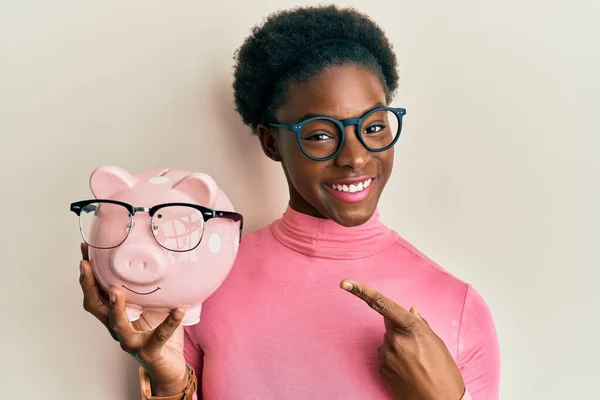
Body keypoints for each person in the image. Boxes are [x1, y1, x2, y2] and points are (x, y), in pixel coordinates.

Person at [78, 5, 500, 399]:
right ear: (271, 142)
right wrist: (166, 380)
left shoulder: (458, 306)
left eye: (373, 127)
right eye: (320, 134)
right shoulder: (206, 278)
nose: (355, 156)